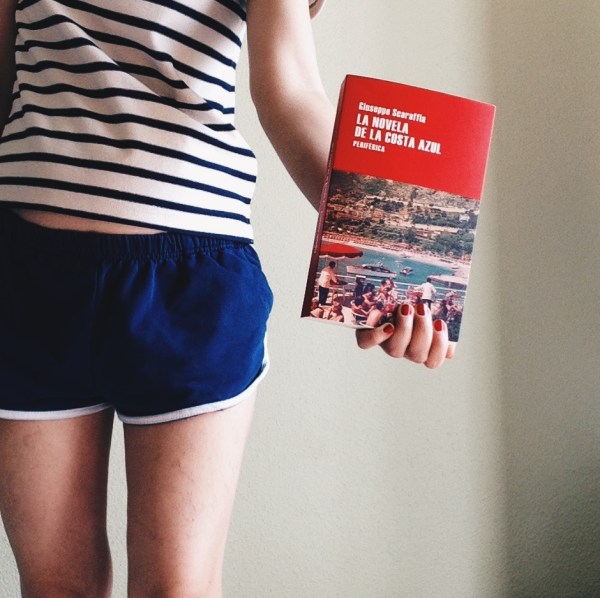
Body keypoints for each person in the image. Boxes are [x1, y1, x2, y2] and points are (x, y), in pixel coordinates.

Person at [0, 0, 453, 595]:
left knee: (177, 589)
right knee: (56, 588)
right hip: (25, 281)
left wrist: (399, 271)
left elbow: (293, 93)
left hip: (193, 289)